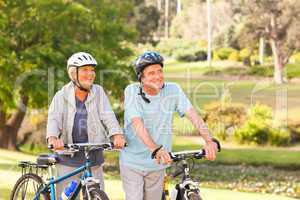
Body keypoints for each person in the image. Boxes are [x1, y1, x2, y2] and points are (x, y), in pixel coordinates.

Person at [120, 51, 218, 200]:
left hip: (157, 164)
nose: (158, 76)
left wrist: (209, 140)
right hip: (133, 163)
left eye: (160, 71)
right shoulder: (132, 91)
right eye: (151, 73)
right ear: (141, 77)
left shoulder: (173, 90)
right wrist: (156, 149)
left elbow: (193, 115)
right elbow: (137, 124)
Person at [46, 52, 125, 197]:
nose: (90, 74)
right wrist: (53, 138)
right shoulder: (61, 96)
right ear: (73, 74)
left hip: (93, 157)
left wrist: (117, 135)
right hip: (68, 158)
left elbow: (108, 116)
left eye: (92, 70)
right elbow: (54, 119)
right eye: (85, 70)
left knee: (96, 194)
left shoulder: (99, 93)